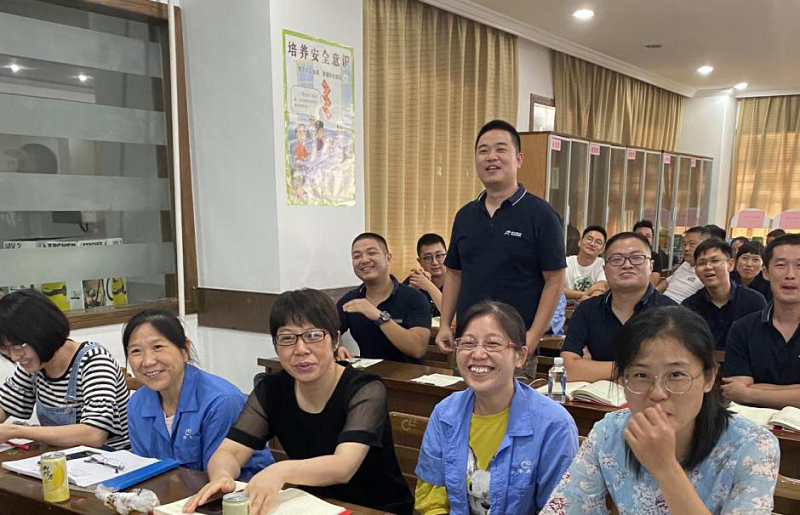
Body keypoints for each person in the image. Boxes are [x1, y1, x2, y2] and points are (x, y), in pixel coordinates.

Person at [183, 289, 413, 515]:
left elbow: (344, 466)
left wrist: (280, 471)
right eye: (287, 338)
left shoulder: (365, 389)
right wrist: (223, 476)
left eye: (313, 336)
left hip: (376, 509)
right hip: (310, 505)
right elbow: (230, 452)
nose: (301, 349)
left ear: (335, 340)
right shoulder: (272, 390)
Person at [542, 306, 780, 514]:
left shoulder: (753, 446)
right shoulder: (609, 433)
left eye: (676, 375)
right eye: (641, 375)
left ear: (709, 378)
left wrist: (666, 468)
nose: (657, 393)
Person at [415, 301, 578, 514]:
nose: (478, 354)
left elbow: (560, 508)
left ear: (520, 356)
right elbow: (431, 497)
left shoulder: (554, 424)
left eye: (492, 344)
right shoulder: (445, 413)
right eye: (468, 343)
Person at [436, 120, 566, 356]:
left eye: (500, 149)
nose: (491, 157)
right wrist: (445, 324)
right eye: (483, 151)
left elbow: (555, 281)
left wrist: (532, 337)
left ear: (519, 159)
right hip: (468, 342)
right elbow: (454, 274)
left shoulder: (542, 215)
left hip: (515, 344)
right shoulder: (465, 215)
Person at [124, 309, 274, 479]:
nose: (148, 361)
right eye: (136, 351)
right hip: (169, 492)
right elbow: (144, 470)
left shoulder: (221, 402)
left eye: (158, 347)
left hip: (236, 492)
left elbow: (216, 478)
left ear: (184, 351)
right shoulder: (137, 403)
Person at [0, 289, 129, 449]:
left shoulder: (94, 361)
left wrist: (16, 431)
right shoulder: (33, 366)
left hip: (110, 458)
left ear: (42, 333)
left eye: (18, 347)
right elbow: (5, 405)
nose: (14, 357)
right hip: (63, 457)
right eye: (5, 349)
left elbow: (94, 434)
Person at [561, 232, 676, 382]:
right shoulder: (586, 309)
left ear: (651, 266)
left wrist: (591, 368)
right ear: (605, 269)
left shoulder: (672, 313)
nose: (627, 265)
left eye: (637, 258)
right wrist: (641, 370)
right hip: (593, 396)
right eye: (617, 259)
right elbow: (568, 369)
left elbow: (673, 372)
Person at [722, 234, 800, 409]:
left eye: (799, 265)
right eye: (780, 265)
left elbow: (743, 393)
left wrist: (750, 393)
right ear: (765, 272)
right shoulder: (743, 328)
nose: (790, 275)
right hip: (753, 423)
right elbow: (735, 391)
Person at [337, 232, 431, 363]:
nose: (364, 260)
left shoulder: (414, 298)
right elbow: (325, 331)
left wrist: (378, 316)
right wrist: (337, 347)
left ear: (388, 259)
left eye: (371, 253)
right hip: (366, 373)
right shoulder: (351, 300)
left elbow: (417, 348)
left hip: (409, 374)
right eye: (357, 256)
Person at [681, 240, 766, 350]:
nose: (708, 267)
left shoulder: (754, 301)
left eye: (715, 261)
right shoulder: (689, 306)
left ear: (730, 265)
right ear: (696, 270)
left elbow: (761, 344)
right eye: (701, 263)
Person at [658, 226, 710, 303]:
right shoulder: (685, 264)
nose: (686, 248)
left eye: (692, 244)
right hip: (660, 304)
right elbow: (667, 281)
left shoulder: (708, 271)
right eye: (684, 244)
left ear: (705, 246)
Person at [402, 233, 446, 317]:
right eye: (428, 257)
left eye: (439, 256)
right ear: (420, 261)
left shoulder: (457, 280)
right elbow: (398, 316)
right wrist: (411, 291)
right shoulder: (416, 280)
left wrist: (428, 285)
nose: (434, 262)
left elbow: (454, 317)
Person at [563, 225, 608, 301]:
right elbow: (558, 289)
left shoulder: (603, 265)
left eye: (598, 242)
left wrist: (588, 303)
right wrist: (586, 293)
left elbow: (600, 288)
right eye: (589, 239)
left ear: (602, 249)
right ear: (580, 242)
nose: (592, 244)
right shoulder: (566, 262)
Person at [633, 219, 664, 286]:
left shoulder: (655, 257)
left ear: (652, 240)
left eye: (648, 236)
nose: (643, 238)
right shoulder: (624, 254)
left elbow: (652, 283)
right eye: (639, 235)